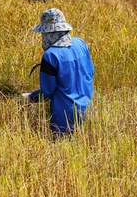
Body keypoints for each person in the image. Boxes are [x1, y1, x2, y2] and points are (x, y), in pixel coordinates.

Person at [24, 8, 95, 138]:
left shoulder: (50, 55)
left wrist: (29, 98)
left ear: (48, 33)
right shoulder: (80, 43)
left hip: (64, 120)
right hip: (88, 111)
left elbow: (47, 92)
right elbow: (90, 72)